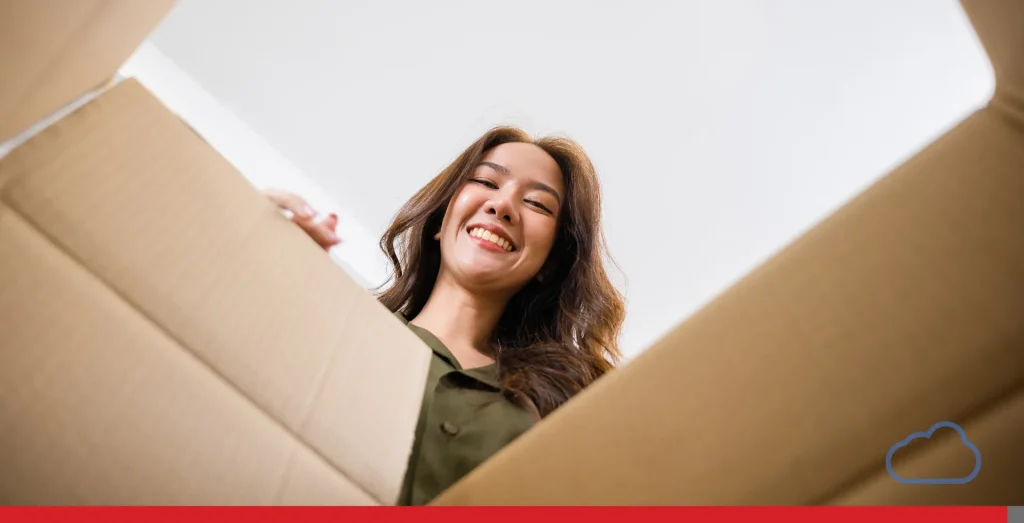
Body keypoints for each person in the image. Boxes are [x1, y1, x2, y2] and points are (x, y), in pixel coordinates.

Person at [263, 126, 625, 505]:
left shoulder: (566, 403)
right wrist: (264, 256)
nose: (502, 206)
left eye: (537, 204)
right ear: (440, 220)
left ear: (550, 263)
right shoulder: (341, 329)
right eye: (486, 181)